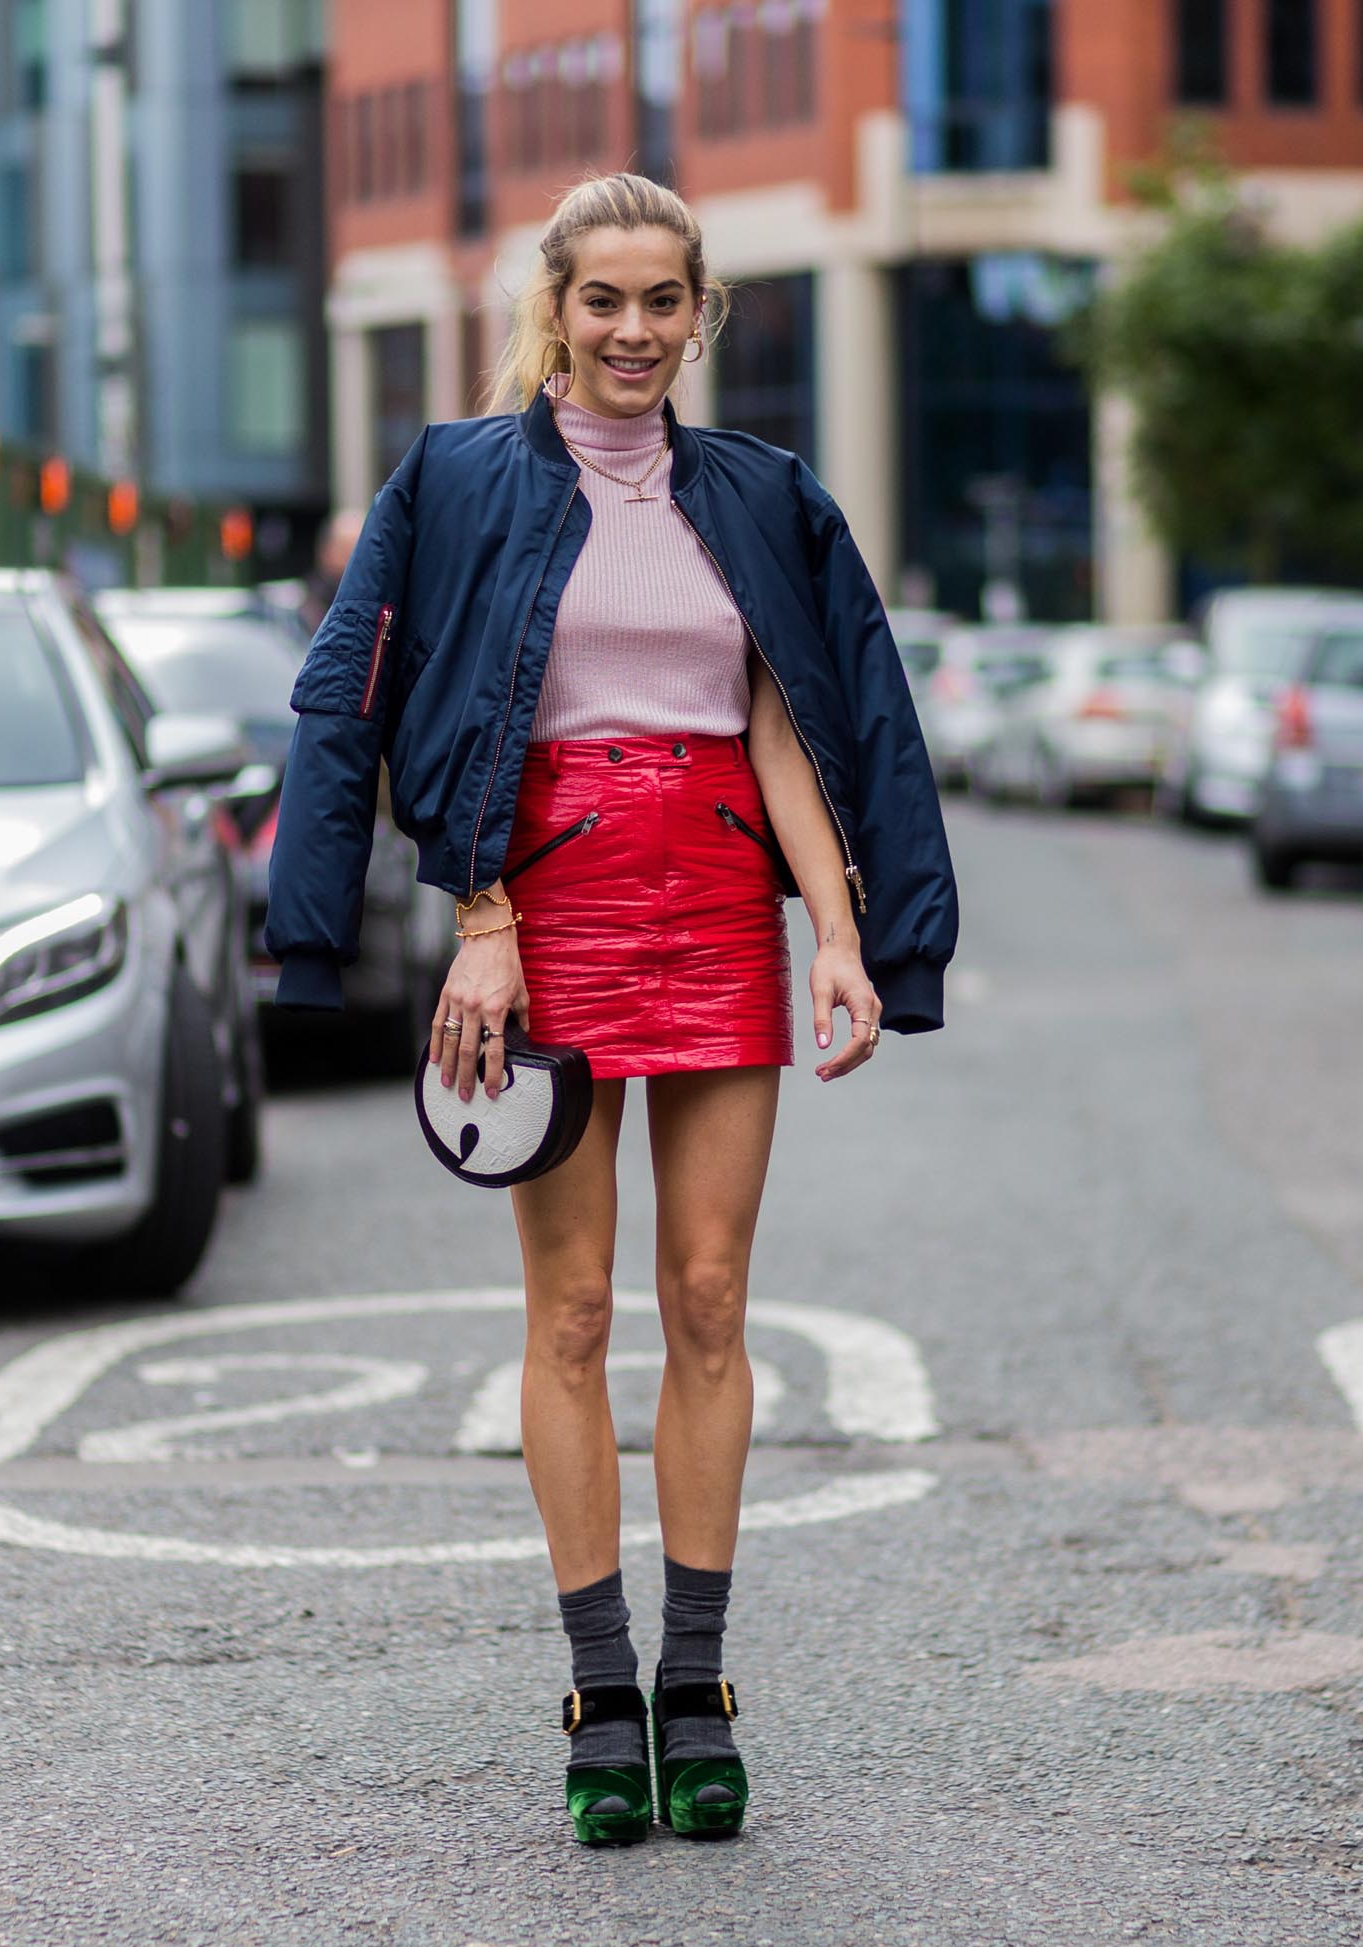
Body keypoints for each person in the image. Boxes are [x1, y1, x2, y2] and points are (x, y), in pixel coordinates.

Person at [265, 173, 958, 1845]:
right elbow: (370, 699)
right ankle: (596, 1688)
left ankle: (699, 1683)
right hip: (548, 918)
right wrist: (477, 917)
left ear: (700, 315)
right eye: (604, 302)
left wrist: (850, 941)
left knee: (711, 1295)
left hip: (719, 898)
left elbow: (802, 717)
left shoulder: (766, 494)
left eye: (665, 303)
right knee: (571, 1314)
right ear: (554, 312)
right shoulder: (452, 479)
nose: (634, 332)